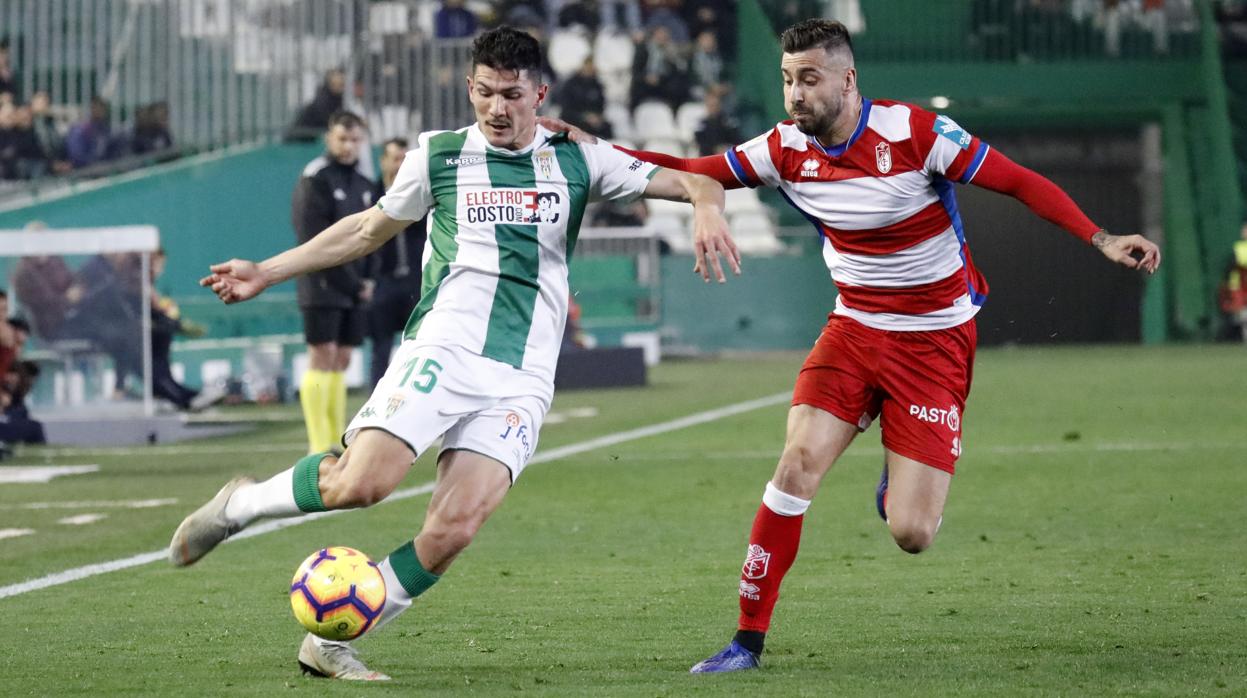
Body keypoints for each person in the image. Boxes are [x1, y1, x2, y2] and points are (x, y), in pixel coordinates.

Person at [542, 17, 1162, 673]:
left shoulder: (914, 134)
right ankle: (745, 643)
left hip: (933, 341)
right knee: (794, 467)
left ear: (847, 79)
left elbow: (1017, 181)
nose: (794, 95)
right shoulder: (783, 149)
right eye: (786, 80)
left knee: (911, 533)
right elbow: (695, 170)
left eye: (808, 79)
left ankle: (896, 474)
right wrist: (596, 146)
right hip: (853, 330)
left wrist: (1099, 237)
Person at [168, 26, 739, 681]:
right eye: (486, 93)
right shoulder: (439, 156)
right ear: (470, 88)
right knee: (361, 485)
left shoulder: (580, 158)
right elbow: (365, 230)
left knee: (456, 526)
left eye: (513, 95)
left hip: (522, 376)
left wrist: (704, 206)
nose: (497, 108)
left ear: (539, 94)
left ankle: (330, 643)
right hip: (444, 346)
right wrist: (269, 270)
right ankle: (239, 505)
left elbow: (695, 180)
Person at [290, 110, 377, 454]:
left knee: (342, 358)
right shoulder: (317, 178)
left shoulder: (364, 183)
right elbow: (311, 238)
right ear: (329, 138)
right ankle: (318, 444)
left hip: (356, 284)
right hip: (322, 283)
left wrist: (367, 278)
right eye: (342, 138)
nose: (348, 146)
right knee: (321, 355)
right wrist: (351, 282)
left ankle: (335, 438)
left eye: (355, 139)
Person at [365, 137, 426, 389]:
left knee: (417, 344)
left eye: (404, 159)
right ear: (383, 161)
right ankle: (375, 402)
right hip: (383, 283)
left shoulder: (421, 192)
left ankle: (411, 395)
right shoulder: (369, 194)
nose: (399, 165)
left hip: (414, 281)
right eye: (395, 158)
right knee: (380, 347)